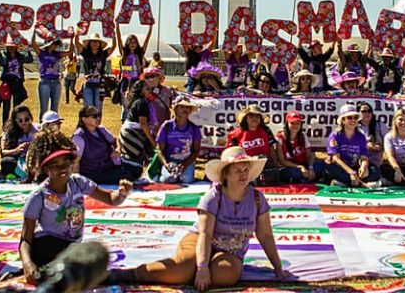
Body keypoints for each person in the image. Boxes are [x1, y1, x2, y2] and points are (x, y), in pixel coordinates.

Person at [112, 146, 289, 291]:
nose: (243, 175)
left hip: (230, 251)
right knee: (182, 268)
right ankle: (130, 274)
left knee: (225, 274)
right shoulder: (213, 197)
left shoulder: (257, 199)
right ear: (225, 174)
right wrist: (202, 267)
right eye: (237, 170)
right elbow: (205, 233)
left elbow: (265, 235)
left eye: (245, 170)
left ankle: (197, 272)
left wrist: (278, 268)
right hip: (200, 240)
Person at [19, 133, 133, 285]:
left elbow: (110, 199)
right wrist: (27, 264)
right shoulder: (39, 196)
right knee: (84, 262)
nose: (63, 168)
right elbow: (25, 240)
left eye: (66, 162)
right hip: (46, 246)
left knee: (91, 256)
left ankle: (55, 273)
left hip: (71, 247)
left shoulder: (78, 182)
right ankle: (50, 274)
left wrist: (122, 194)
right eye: (56, 165)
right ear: (46, 169)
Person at [72, 105, 141, 184]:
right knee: (127, 175)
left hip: (109, 165)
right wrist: (77, 181)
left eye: (98, 115)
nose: (98, 118)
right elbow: (75, 161)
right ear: (83, 119)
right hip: (93, 172)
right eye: (94, 116)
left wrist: (118, 149)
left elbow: (115, 140)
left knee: (138, 169)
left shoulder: (101, 129)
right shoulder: (79, 137)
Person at [325, 104, 380, 187]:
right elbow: (335, 158)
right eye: (350, 118)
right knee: (329, 168)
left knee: (375, 170)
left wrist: (364, 166)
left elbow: (364, 156)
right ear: (343, 120)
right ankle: (357, 182)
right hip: (342, 168)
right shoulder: (335, 136)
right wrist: (351, 172)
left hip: (355, 167)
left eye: (355, 117)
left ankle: (347, 182)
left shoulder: (361, 136)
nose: (353, 120)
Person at [153, 97, 202, 183]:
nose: (185, 109)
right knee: (167, 180)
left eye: (187, 107)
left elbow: (196, 150)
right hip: (170, 161)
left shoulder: (194, 128)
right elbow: (160, 150)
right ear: (175, 109)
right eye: (182, 107)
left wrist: (185, 164)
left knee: (187, 180)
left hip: (187, 161)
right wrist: (166, 165)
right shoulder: (167, 126)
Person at [226, 104, 279, 184]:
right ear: (245, 118)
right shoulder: (236, 134)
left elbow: (271, 150)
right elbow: (231, 155)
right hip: (244, 168)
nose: (254, 119)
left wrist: (276, 167)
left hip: (264, 167)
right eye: (251, 116)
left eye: (257, 117)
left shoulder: (266, 130)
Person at [32, 32, 74, 120]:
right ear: (49, 43)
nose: (56, 46)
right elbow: (33, 44)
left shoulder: (57, 54)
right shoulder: (42, 53)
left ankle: (54, 129)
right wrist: (34, 32)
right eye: (54, 43)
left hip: (56, 82)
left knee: (54, 109)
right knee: (44, 108)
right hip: (45, 81)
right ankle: (42, 129)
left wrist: (71, 39)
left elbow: (69, 51)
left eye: (57, 44)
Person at [276, 111, 324, 183]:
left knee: (321, 164)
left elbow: (309, 155)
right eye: (292, 123)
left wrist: (310, 168)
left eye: (298, 123)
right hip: (289, 167)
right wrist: (300, 167)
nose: (295, 125)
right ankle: (307, 179)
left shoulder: (303, 136)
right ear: (287, 124)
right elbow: (282, 161)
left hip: (304, 166)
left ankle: (306, 178)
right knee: (294, 173)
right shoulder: (279, 138)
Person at [116, 24, 152, 120]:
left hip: (137, 81)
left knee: (136, 103)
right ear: (127, 43)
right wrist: (117, 26)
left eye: (134, 42)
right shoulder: (124, 53)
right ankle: (124, 123)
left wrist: (150, 28)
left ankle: (134, 122)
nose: (132, 44)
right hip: (126, 81)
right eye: (130, 42)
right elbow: (118, 39)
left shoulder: (140, 53)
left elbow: (146, 41)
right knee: (126, 105)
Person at [74, 33, 115, 110]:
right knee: (89, 108)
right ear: (89, 43)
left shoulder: (103, 54)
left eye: (97, 42)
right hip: (88, 84)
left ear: (100, 44)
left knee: (98, 108)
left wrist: (113, 35)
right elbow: (76, 42)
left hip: (99, 85)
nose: (95, 43)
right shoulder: (85, 53)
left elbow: (113, 46)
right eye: (93, 41)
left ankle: (97, 122)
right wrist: (78, 32)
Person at [0, 40, 34, 124]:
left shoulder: (20, 56)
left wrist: (27, 50)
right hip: (7, 83)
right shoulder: (4, 55)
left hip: (17, 82)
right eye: (10, 46)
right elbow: (2, 63)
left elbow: (30, 59)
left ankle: (16, 125)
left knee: (17, 106)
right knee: (6, 107)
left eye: (13, 46)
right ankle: (5, 126)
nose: (11, 48)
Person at [0, 105, 39, 178]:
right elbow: (3, 151)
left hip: (35, 158)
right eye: (20, 120)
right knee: (6, 161)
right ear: (15, 120)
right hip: (17, 159)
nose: (24, 122)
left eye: (26, 119)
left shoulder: (38, 129)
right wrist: (16, 150)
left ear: (31, 118)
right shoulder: (9, 132)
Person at [357, 102, 385, 171]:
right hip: (357, 161)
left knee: (374, 172)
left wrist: (380, 147)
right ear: (358, 113)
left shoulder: (380, 126)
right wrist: (366, 145)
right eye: (363, 111)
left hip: (375, 162)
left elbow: (388, 143)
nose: (367, 113)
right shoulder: (355, 127)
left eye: (369, 111)